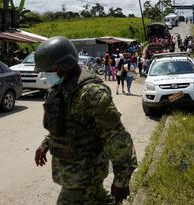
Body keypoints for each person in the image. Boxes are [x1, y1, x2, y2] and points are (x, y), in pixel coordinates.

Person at [34, 36, 137, 205]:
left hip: (85, 175)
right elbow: (67, 123)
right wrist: (46, 143)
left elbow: (118, 139)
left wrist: (121, 181)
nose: (46, 74)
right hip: (72, 175)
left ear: (64, 65)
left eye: (49, 69)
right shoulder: (63, 87)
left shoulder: (92, 93)